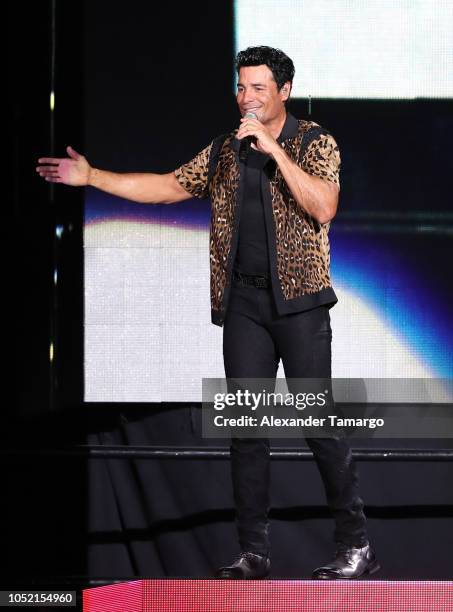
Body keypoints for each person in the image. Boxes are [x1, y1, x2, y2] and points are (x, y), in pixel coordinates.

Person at [36, 45, 380, 580]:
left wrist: (273, 149)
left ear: (284, 92)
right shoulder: (224, 150)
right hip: (243, 304)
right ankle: (253, 551)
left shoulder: (315, 142)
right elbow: (171, 186)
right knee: (247, 426)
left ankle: (356, 544)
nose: (246, 97)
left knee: (317, 422)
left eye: (258, 88)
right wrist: (92, 177)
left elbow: (324, 206)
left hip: (301, 305)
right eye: (241, 87)